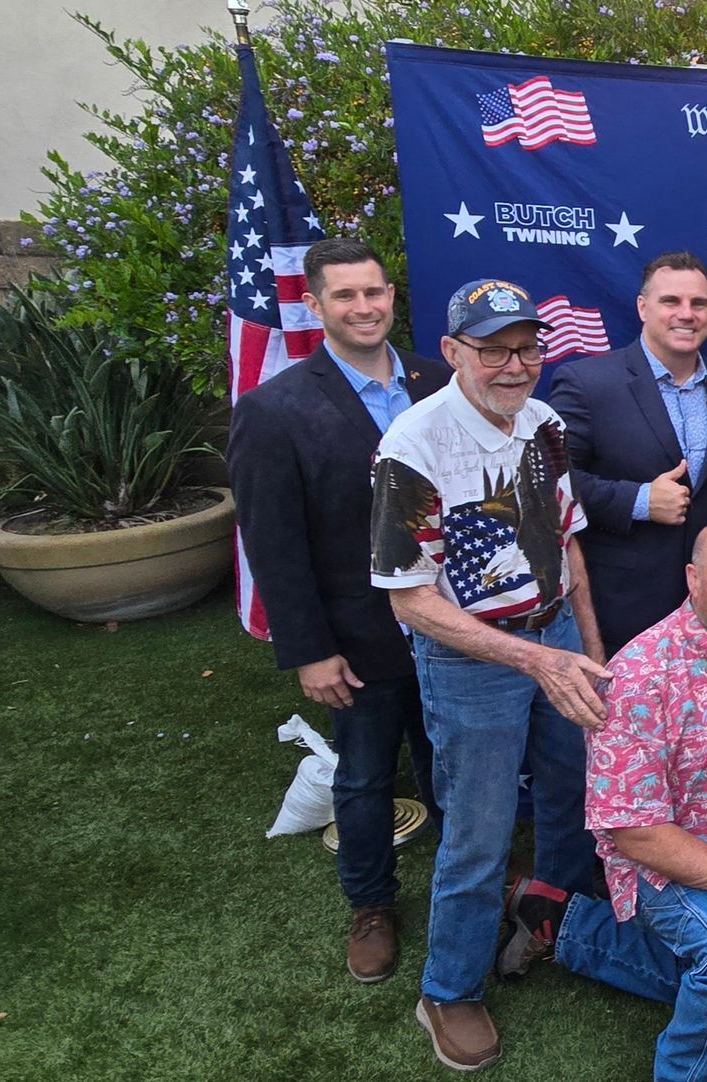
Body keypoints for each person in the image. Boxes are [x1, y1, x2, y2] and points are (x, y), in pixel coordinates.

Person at [497, 519, 707, 1082]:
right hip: (664, 869)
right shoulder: (641, 674)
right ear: (693, 578)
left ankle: (562, 922)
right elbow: (634, 831)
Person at [369, 278, 610, 1072]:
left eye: (527, 348)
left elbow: (568, 542)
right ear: (452, 351)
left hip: (557, 635)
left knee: (573, 794)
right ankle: (448, 989)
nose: (515, 365)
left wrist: (591, 654)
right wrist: (537, 659)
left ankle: (551, 920)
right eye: (494, 350)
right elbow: (410, 601)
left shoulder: (544, 422)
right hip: (472, 661)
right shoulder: (413, 445)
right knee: (477, 834)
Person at [227, 237, 449, 983]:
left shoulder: (439, 380)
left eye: (374, 291)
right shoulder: (274, 410)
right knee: (364, 775)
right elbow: (274, 544)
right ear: (315, 305)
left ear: (391, 297)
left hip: (454, 625)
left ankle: (468, 879)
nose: (364, 307)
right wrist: (310, 650)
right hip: (358, 637)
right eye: (345, 295)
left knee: (451, 761)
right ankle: (372, 904)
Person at [548, 251, 707, 653]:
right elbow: (553, 484)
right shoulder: (587, 383)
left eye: (698, 303)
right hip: (621, 605)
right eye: (670, 301)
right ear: (642, 307)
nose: (686, 314)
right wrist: (638, 500)